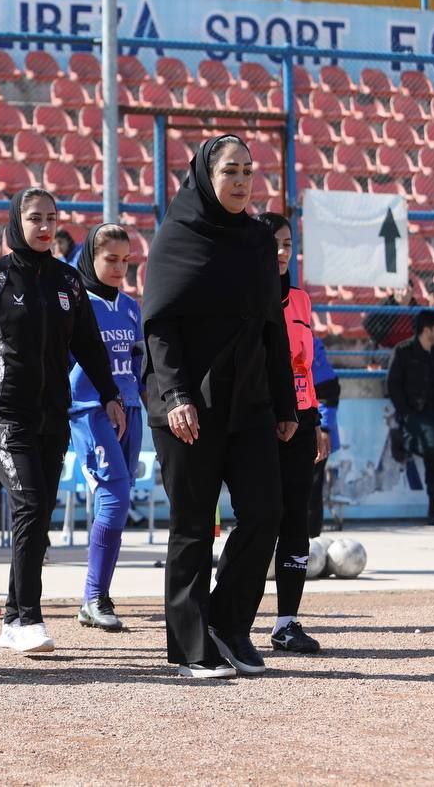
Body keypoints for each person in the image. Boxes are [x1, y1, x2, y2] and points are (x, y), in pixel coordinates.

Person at [0, 189, 123, 656]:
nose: (44, 226)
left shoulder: (68, 281)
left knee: (37, 514)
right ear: (16, 221)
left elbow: (89, 344)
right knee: (29, 502)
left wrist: (110, 395)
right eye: (34, 218)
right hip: (2, 410)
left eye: (51, 218)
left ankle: (11, 616)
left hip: (52, 413)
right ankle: (28, 618)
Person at [142, 135, 297, 680]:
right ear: (207, 175)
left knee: (265, 512)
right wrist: (178, 396)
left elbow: (271, 325)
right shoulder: (177, 235)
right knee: (192, 525)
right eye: (231, 170)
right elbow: (159, 326)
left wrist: (286, 400)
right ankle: (188, 646)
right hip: (189, 403)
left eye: (249, 172)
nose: (241, 181)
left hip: (249, 400)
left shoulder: (257, 240)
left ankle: (228, 623)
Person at [67, 223, 147, 631]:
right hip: (91, 410)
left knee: (118, 498)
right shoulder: (78, 304)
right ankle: (94, 596)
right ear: (91, 258)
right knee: (114, 496)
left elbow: (137, 364)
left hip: (130, 409)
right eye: (110, 260)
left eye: (125, 260)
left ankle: (97, 597)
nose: (118, 268)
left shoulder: (132, 308)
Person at [258, 212, 331, 654]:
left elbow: (305, 367)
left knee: (296, 523)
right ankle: (228, 617)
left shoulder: (302, 300)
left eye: (287, 244)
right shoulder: (247, 297)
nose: (282, 253)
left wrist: (316, 420)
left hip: (301, 421)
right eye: (273, 245)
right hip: (260, 422)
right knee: (259, 520)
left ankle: (286, 622)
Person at [387, 310, 434, 525]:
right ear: (426, 330)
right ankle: (403, 440)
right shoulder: (404, 351)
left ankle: (433, 507)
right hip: (415, 413)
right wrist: (405, 412)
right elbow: (393, 384)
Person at [308, 336, 340, 537]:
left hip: (308, 427)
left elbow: (329, 389)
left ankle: (309, 546)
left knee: (311, 487)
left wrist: (325, 428)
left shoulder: (309, 342)